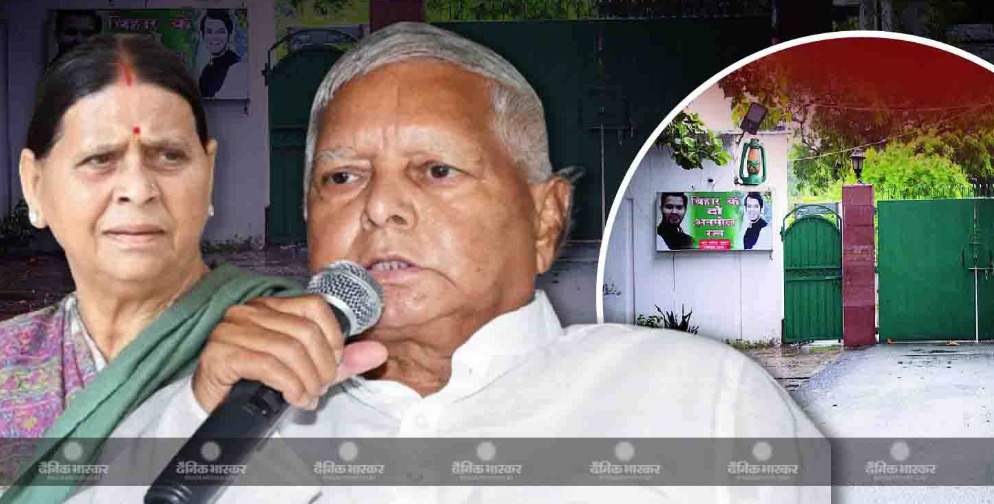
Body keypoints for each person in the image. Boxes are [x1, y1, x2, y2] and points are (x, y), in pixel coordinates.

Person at [66, 23, 828, 503]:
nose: (379, 208)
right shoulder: (225, 419)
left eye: (436, 170)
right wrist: (198, 410)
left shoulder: (701, 402)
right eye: (342, 177)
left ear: (546, 218)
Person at [0, 35, 319, 503]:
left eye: (169, 156)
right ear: (34, 184)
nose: (138, 188)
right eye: (99, 159)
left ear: (209, 173)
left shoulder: (290, 346)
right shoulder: (7, 361)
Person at [197, 10, 247, 99]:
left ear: (229, 34)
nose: (214, 37)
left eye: (220, 32)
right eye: (209, 32)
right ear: (203, 35)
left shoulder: (236, 66)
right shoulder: (207, 67)